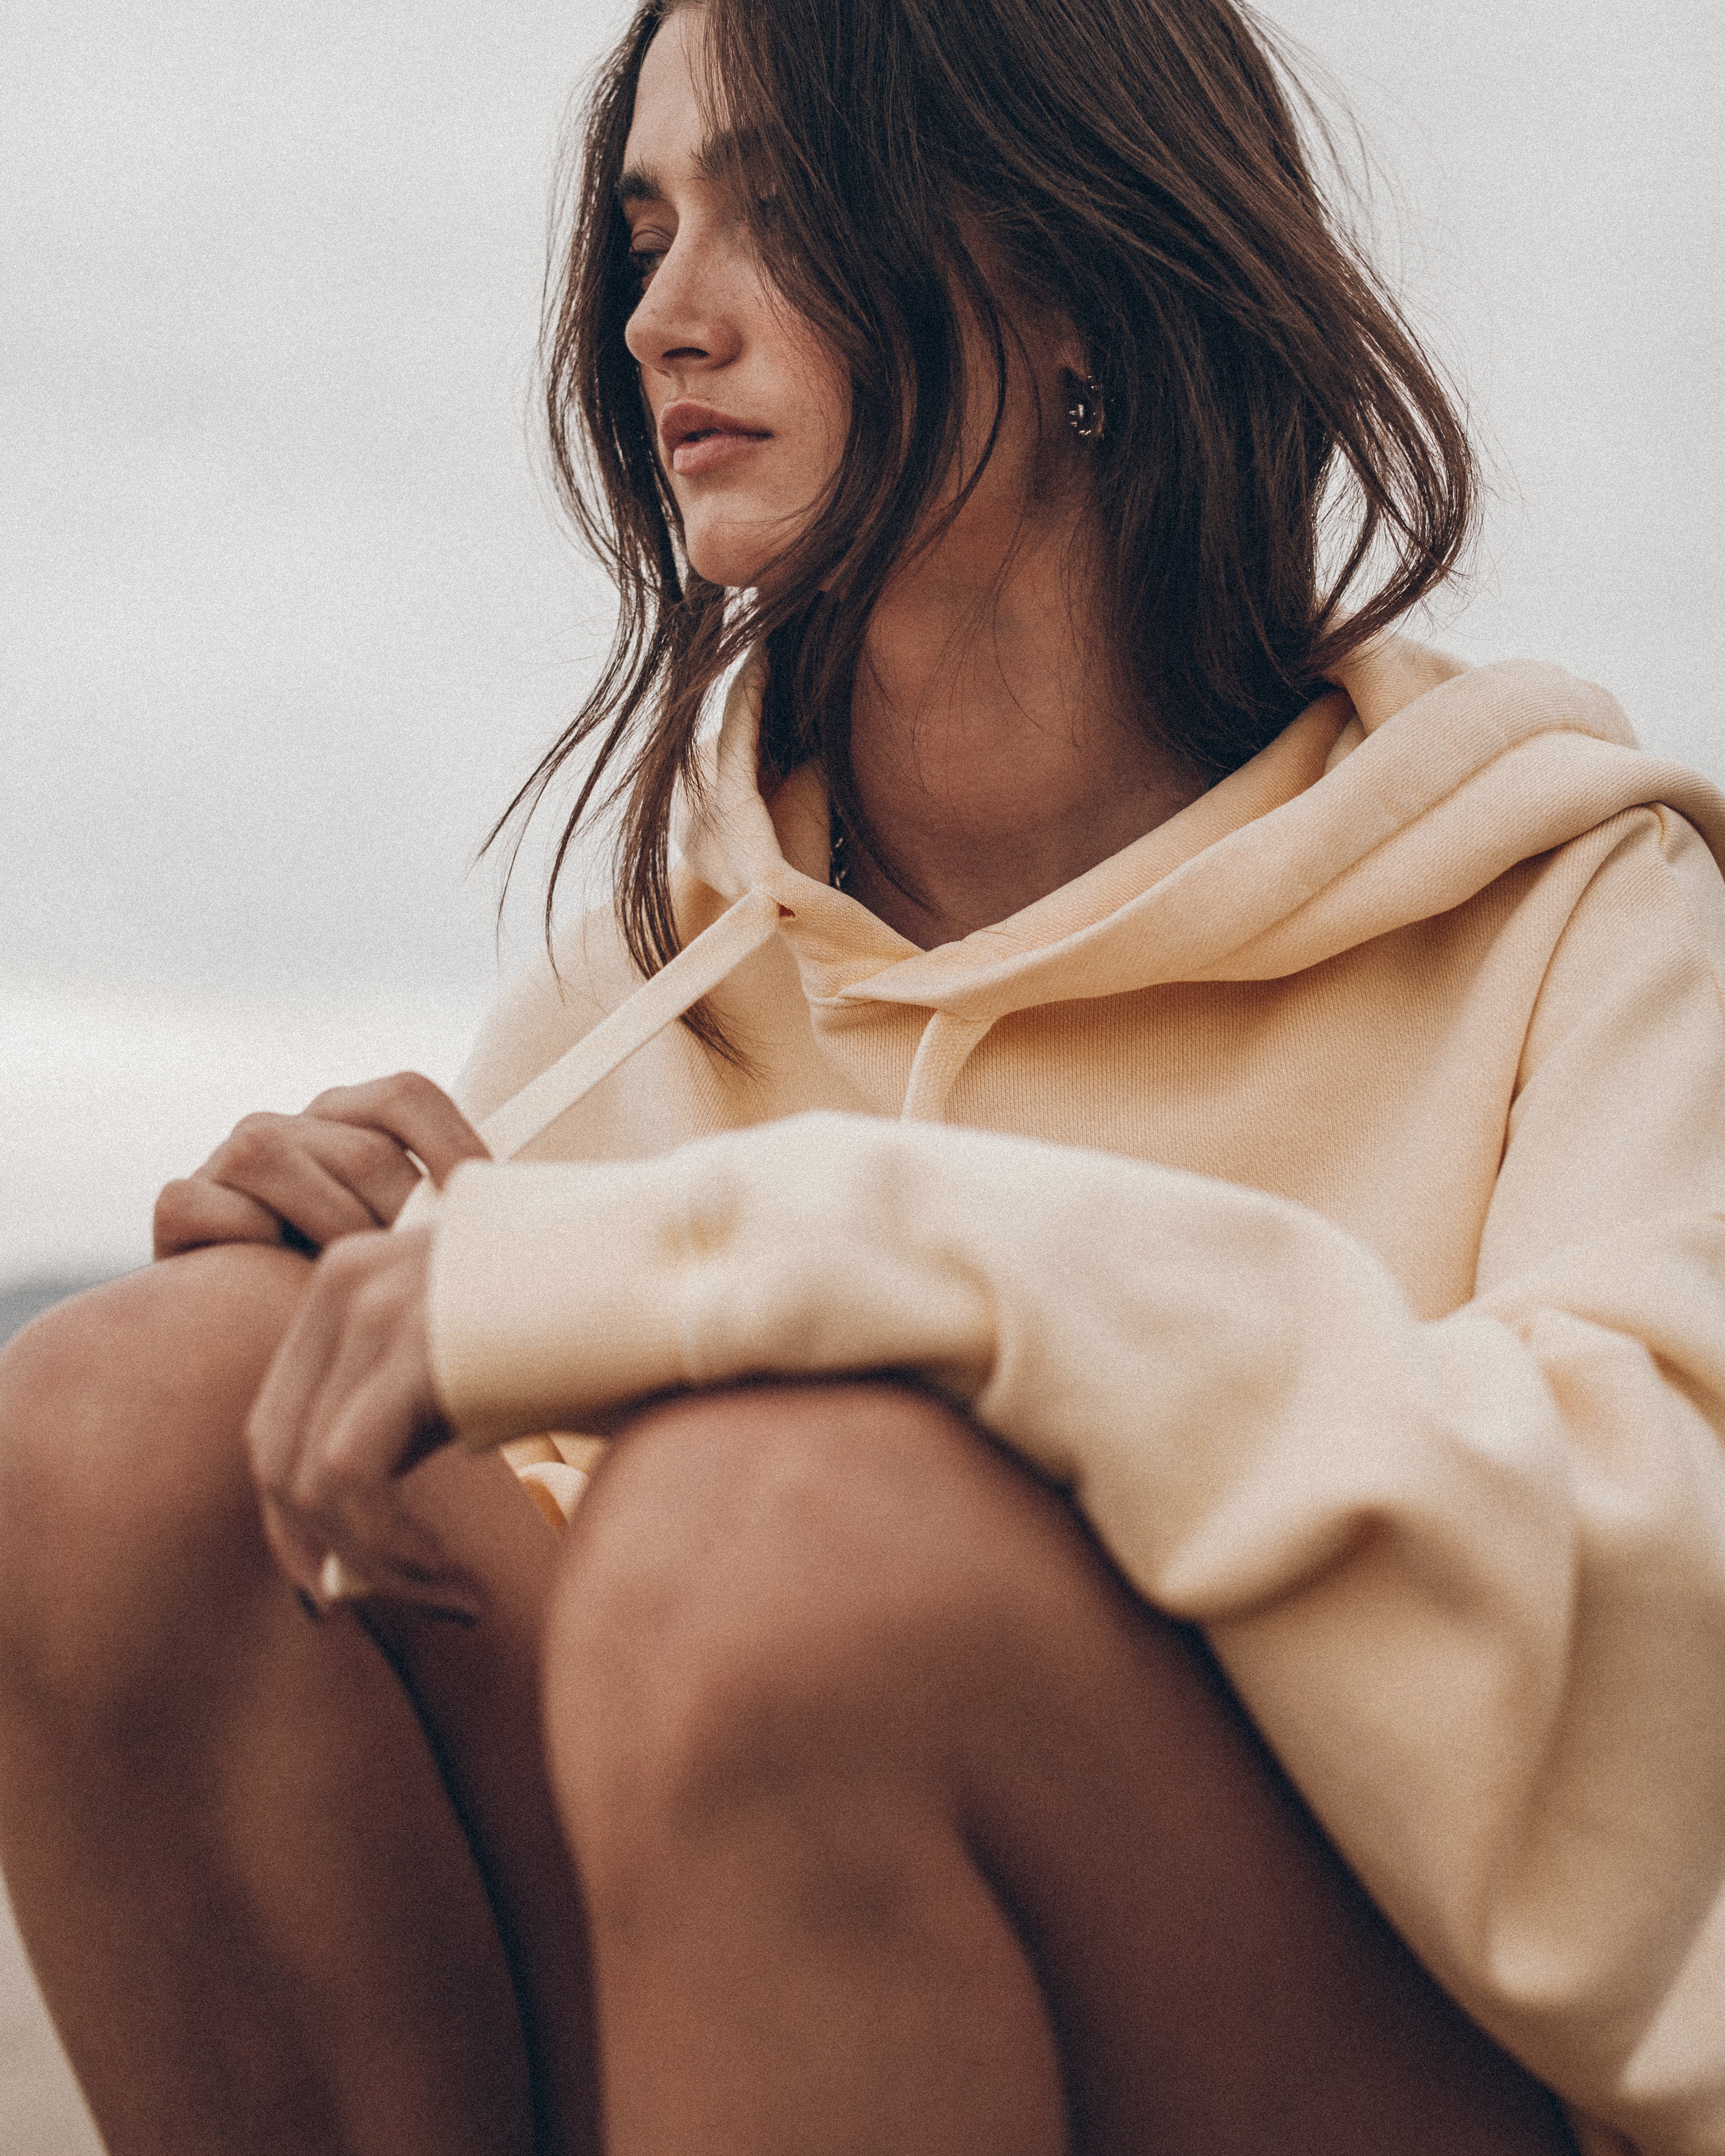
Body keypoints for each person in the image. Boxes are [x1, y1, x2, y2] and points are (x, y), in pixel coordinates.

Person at [1, 0, 1721, 2149]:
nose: (662, 314)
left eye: (781, 211)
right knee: (133, 1414)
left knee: (779, 1536)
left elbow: (1665, 1595)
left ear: (1083, 273)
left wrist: (825, 1256)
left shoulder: (1571, 906)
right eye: (646, 231)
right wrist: (341, 1333)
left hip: (1371, 2067)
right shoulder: (646, 995)